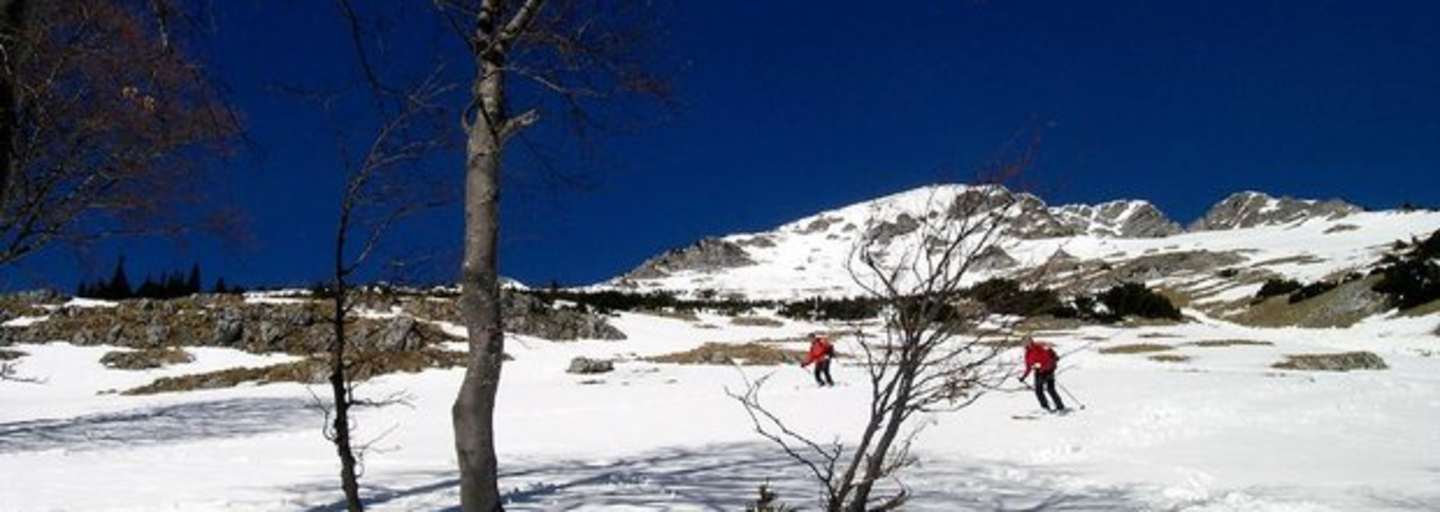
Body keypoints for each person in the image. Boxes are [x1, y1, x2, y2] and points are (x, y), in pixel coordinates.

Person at [1019, 335, 1066, 412]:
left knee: (1050, 389)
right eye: (1023, 342)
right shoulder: (1027, 353)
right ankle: (1045, 407)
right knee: (1038, 390)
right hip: (1039, 372)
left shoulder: (1039, 348)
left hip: (1048, 370)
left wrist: (1043, 367)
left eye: (1026, 342)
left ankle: (1060, 406)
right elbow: (1028, 367)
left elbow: (1048, 360)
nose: (1024, 344)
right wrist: (1024, 376)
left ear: (1030, 341)